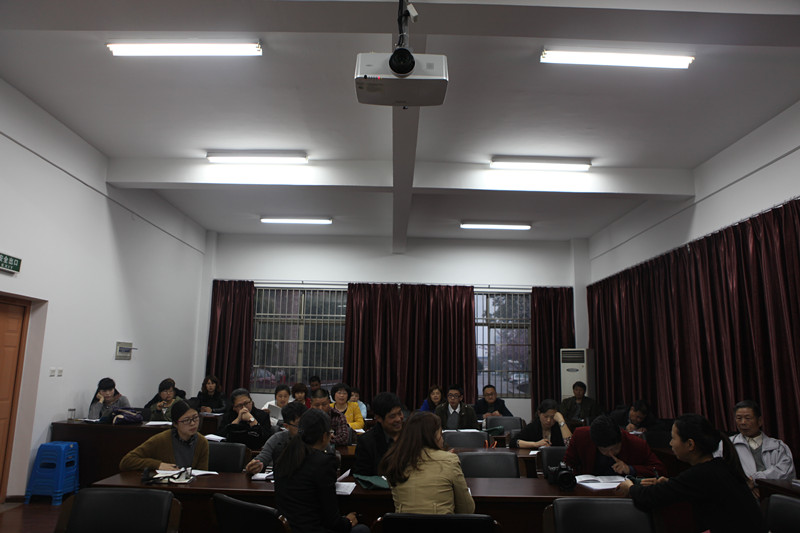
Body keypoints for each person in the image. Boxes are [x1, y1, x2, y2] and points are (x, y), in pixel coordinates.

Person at [615, 414, 765, 533]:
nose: (670, 443)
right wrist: (670, 484)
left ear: (690, 444)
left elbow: (651, 497)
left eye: (673, 438)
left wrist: (630, 488)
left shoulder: (701, 474)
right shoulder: (719, 466)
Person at [274, 409, 368, 533]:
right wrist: (348, 521)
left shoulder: (284, 455)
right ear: (324, 436)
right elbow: (332, 521)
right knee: (362, 529)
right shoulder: (323, 462)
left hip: (289, 528)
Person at [379, 411, 475, 514]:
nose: (442, 440)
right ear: (433, 436)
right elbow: (467, 509)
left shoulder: (394, 461)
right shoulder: (450, 461)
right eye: (440, 434)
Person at [564, 414, 666, 477]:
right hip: (587, 493)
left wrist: (630, 469)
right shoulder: (581, 436)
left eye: (614, 449)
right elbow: (568, 464)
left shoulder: (636, 443)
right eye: (604, 450)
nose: (610, 453)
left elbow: (659, 470)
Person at [119, 400, 208, 471]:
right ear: (175, 424)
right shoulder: (162, 439)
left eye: (195, 418)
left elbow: (202, 474)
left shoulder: (202, 442)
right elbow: (126, 461)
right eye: (186, 420)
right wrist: (158, 465)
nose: (193, 423)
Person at [727, 400, 796, 483]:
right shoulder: (728, 444)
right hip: (741, 489)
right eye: (739, 418)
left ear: (759, 421)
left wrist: (755, 480)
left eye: (747, 418)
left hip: (771, 489)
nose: (743, 422)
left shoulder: (778, 446)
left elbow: (785, 471)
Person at [246, 402, 308, 474]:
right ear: (286, 426)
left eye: (306, 423)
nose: (303, 428)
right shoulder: (278, 439)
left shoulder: (314, 437)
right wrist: (254, 466)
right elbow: (263, 458)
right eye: (298, 425)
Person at [353, 392, 405, 476]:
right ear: (379, 418)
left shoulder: (411, 435)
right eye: (392, 416)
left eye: (400, 413)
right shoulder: (366, 442)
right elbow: (362, 475)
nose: (398, 419)